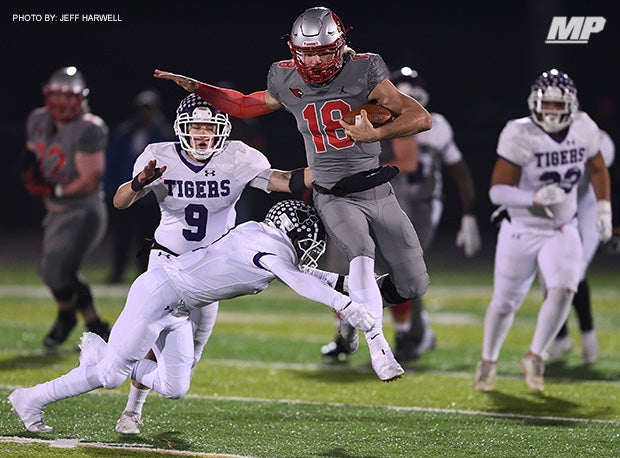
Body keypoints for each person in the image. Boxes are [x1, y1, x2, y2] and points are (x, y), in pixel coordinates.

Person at [154, 6, 433, 382]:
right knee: (361, 254)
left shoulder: (365, 69)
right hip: (331, 192)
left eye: (323, 51)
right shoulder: (285, 78)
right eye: (308, 52)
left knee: (414, 283)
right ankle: (379, 348)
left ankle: (353, 309)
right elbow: (242, 104)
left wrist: (376, 135)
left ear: (339, 45)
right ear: (295, 50)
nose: (316, 60)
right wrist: (201, 88)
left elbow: (420, 117)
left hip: (377, 187)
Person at [8, 199, 377, 434]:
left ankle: (102, 352)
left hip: (179, 308)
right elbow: (297, 279)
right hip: (157, 294)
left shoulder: (261, 239)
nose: (307, 251)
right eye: (305, 243)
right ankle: (31, 398)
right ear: (292, 234)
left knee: (174, 387)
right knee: (108, 378)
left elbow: (300, 273)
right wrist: (347, 306)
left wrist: (351, 283)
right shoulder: (266, 249)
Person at [112, 92, 312, 434]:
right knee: (152, 337)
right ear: (181, 128)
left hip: (212, 267)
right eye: (196, 126)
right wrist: (139, 183)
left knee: (185, 367)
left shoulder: (238, 157)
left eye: (209, 126)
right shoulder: (159, 156)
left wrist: (325, 171)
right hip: (167, 261)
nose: (202, 134)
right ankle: (131, 410)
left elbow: (281, 180)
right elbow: (120, 202)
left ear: (222, 129)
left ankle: (116, 364)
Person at [321, 66, 481, 363]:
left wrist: (469, 215)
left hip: (396, 200)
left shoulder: (399, 117)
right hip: (354, 199)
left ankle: (408, 333)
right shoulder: (356, 110)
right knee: (341, 271)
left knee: (399, 270)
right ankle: (346, 337)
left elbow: (408, 162)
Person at [473, 69, 612, 392]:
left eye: (556, 105)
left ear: (571, 105)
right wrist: (532, 197)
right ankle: (488, 360)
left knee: (564, 289)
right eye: (544, 104)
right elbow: (497, 191)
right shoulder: (519, 133)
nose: (550, 111)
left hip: (563, 227)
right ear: (534, 104)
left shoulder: (584, 127)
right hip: (521, 227)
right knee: (505, 303)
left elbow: (598, 168)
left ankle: (535, 355)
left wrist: (604, 208)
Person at [19, 66, 111, 348]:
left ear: (80, 98)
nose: (61, 104)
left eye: (67, 97)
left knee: (54, 269)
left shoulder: (89, 128)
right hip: (56, 212)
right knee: (61, 271)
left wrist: (53, 189)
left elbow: (89, 179)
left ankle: (67, 316)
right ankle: (95, 325)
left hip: (83, 211)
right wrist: (27, 170)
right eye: (56, 96)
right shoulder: (37, 119)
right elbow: (33, 154)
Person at [545, 129, 614, 364]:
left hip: (588, 207)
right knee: (548, 273)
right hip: (559, 207)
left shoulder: (597, 139)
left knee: (575, 271)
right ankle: (561, 338)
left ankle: (588, 336)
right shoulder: (542, 135)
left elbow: (602, 174)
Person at [104, 89, 175, 284]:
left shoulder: (165, 132)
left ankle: (145, 273)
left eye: (149, 109)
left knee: (148, 237)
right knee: (122, 236)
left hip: (152, 197)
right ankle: (118, 271)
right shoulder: (126, 131)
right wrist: (111, 188)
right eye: (143, 109)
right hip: (129, 191)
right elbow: (113, 162)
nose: (146, 113)